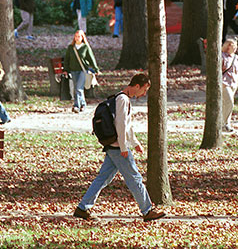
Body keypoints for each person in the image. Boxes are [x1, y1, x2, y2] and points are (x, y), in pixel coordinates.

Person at [73, 73, 167, 222]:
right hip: (118, 148)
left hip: (113, 146)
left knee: (103, 178)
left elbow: (126, 126)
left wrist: (135, 143)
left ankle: (82, 208)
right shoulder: (123, 99)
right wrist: (124, 147)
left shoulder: (121, 98)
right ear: (137, 86)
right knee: (134, 178)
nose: (144, 94)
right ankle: (147, 210)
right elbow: (121, 125)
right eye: (144, 90)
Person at [63, 30, 100, 113]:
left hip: (83, 70)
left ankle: (76, 106)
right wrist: (66, 69)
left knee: (78, 88)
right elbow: (67, 59)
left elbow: (91, 58)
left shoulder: (85, 47)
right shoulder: (71, 47)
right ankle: (83, 104)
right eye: (76, 36)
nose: (77, 38)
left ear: (82, 37)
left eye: (79, 36)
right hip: (73, 70)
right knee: (77, 88)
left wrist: (95, 69)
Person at [221, 39, 238, 132]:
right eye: (233, 46)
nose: (235, 48)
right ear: (228, 46)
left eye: (236, 46)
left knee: (227, 104)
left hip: (233, 83)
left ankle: (226, 124)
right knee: (229, 102)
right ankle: (224, 123)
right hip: (224, 82)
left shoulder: (236, 58)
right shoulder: (222, 56)